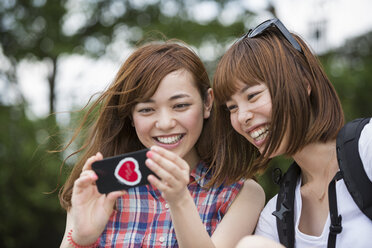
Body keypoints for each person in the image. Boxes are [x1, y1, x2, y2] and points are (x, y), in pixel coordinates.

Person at [58, 41, 265, 248]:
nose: (165, 123)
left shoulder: (240, 193)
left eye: (180, 105)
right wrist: (80, 240)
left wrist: (179, 200)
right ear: (131, 115)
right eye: (147, 109)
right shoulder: (98, 185)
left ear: (207, 103)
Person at [212, 18, 372, 248]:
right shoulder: (274, 217)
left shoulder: (367, 146)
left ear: (303, 84)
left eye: (252, 96)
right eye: (232, 107)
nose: (241, 117)